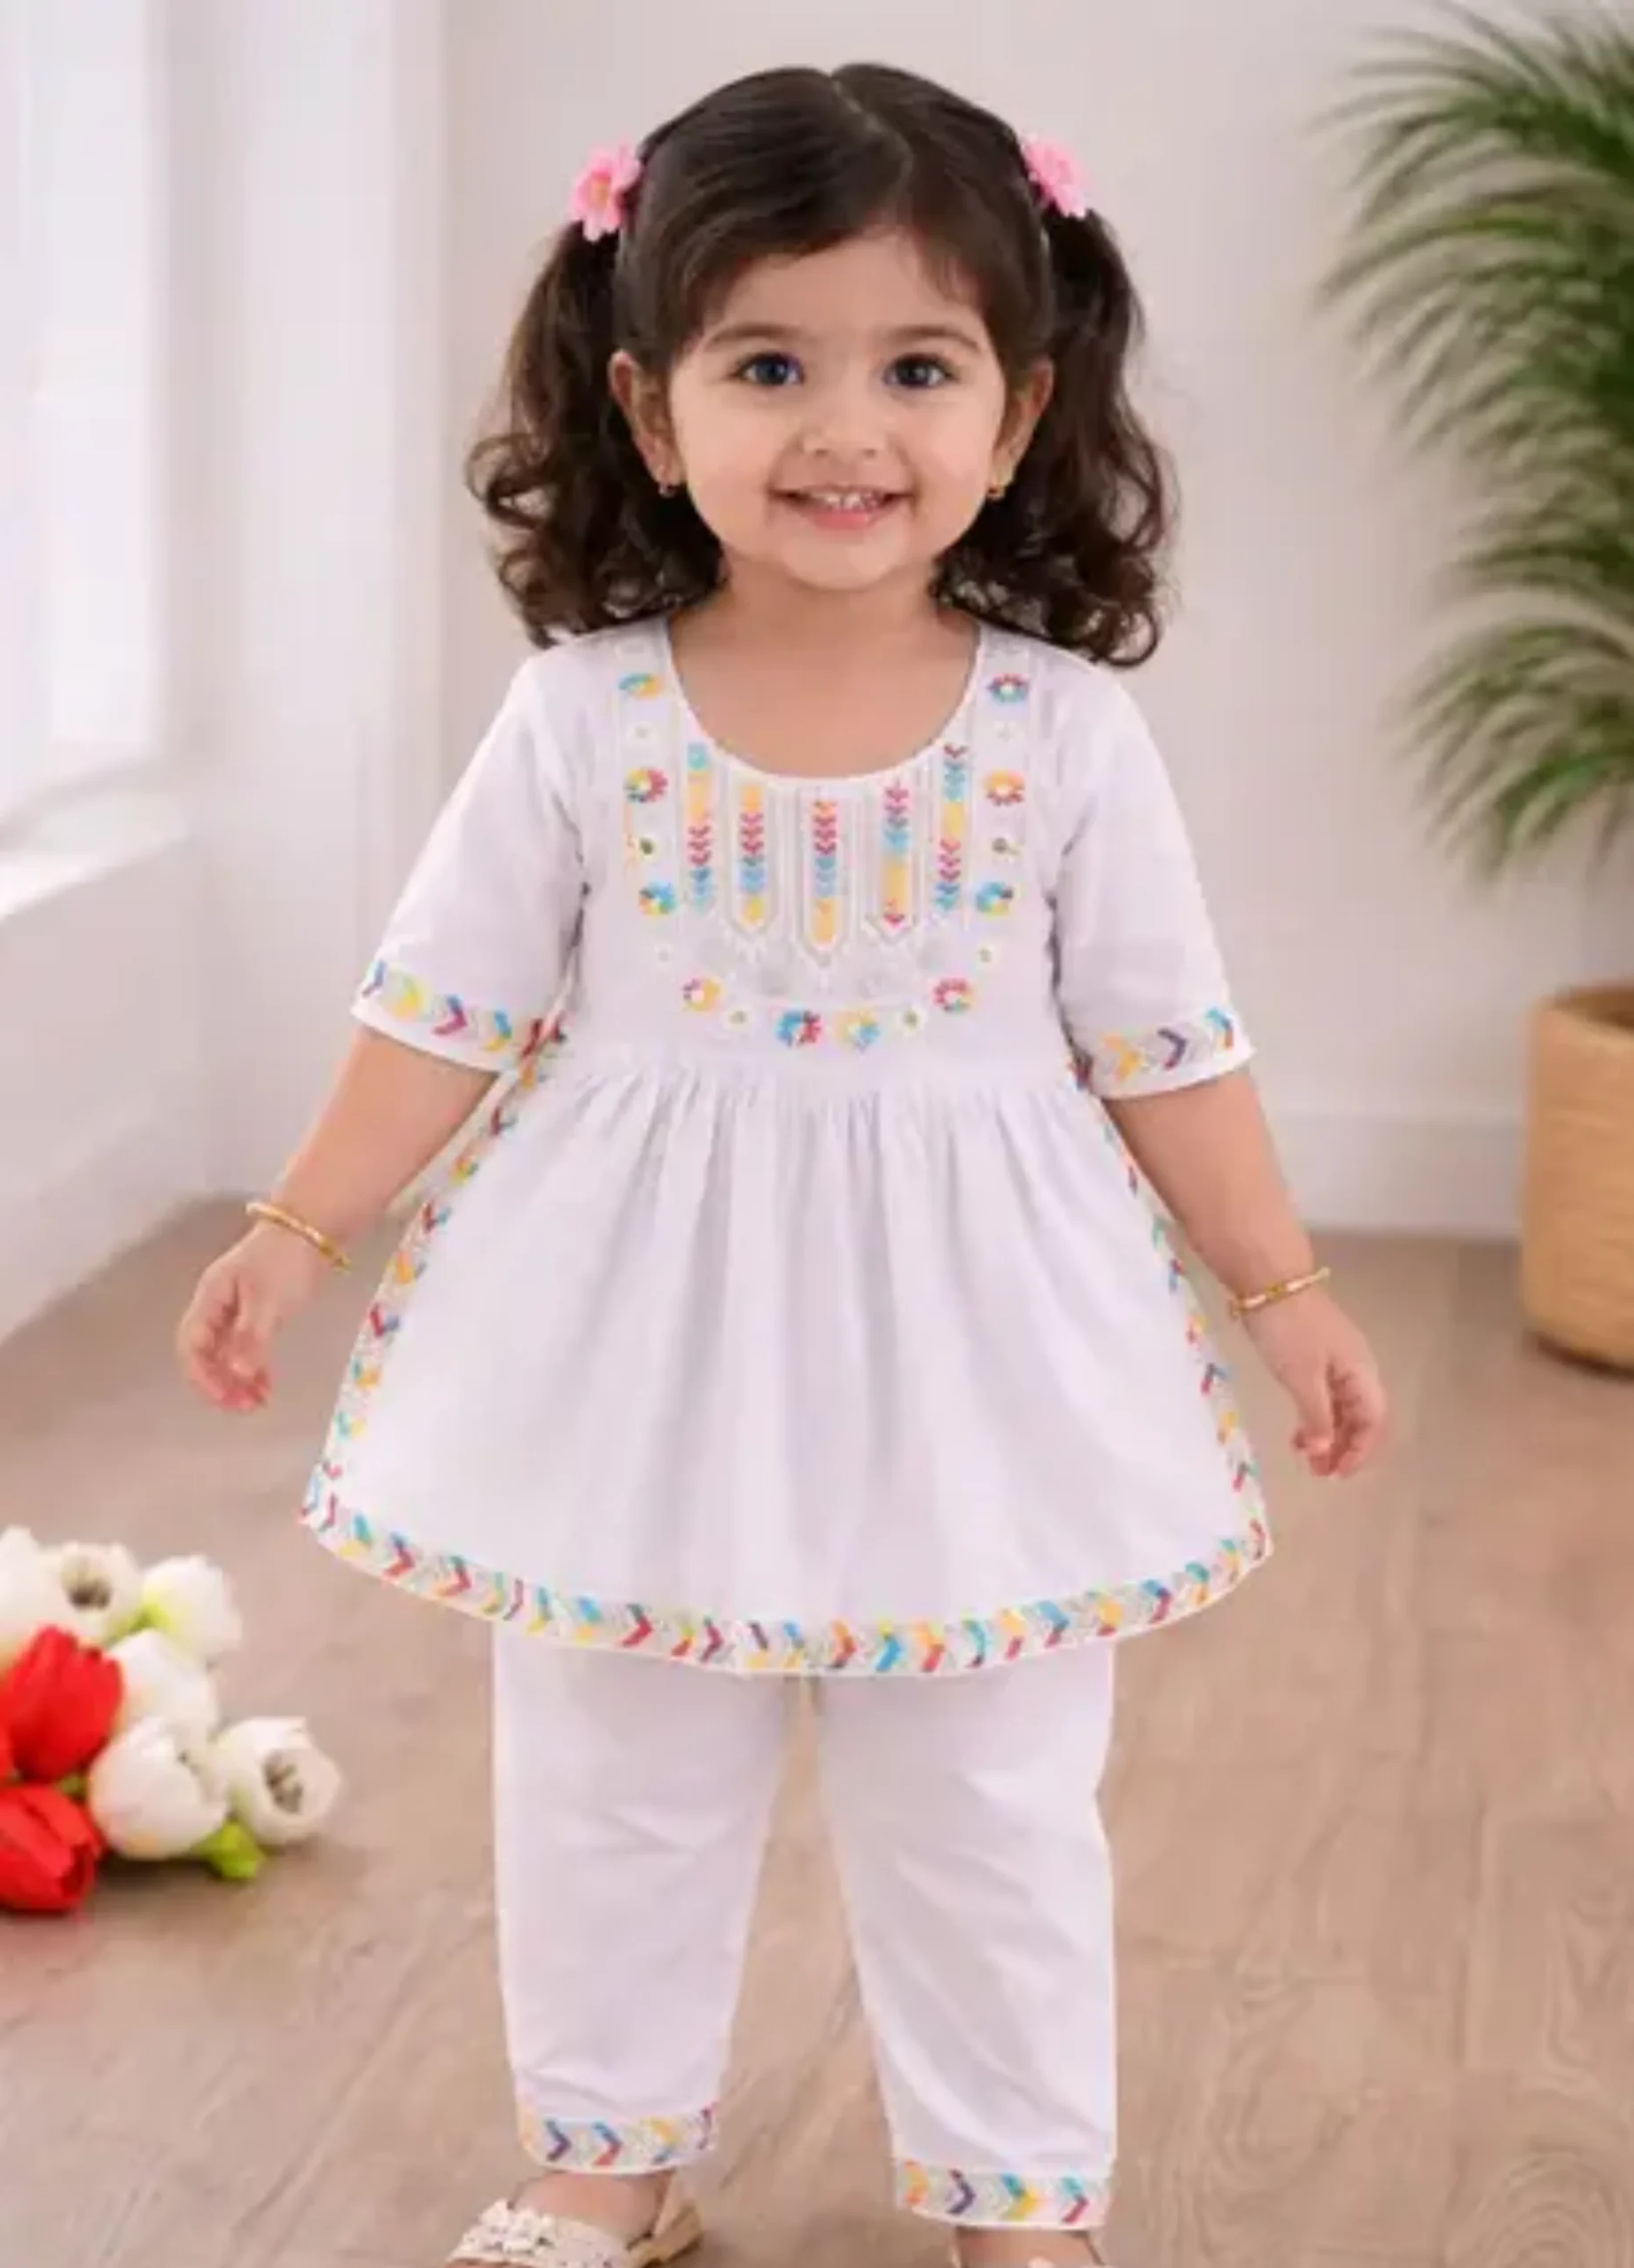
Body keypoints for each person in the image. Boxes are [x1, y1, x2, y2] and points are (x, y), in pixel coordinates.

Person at [177, 61, 1388, 2268]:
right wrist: (294, 1223)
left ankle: (1019, 2197)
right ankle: (604, 2161)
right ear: (649, 412)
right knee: (611, 1766)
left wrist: (1281, 1288)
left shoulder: (1062, 734)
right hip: (635, 1346)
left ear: (1017, 413)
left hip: (979, 1357)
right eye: (767, 366)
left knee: (988, 1789)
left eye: (915, 367)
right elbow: (440, 1006)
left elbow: (1165, 1049)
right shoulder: (583, 714)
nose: (845, 428)